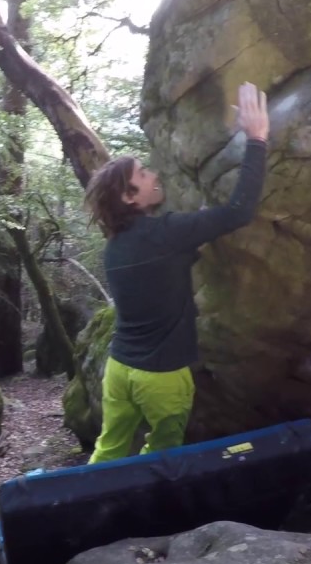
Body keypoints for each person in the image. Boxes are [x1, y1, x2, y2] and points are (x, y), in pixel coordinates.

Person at [83, 81, 270, 465]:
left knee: (110, 449)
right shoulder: (168, 234)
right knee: (163, 453)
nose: (153, 175)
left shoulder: (117, 246)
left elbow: (163, 265)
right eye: (144, 174)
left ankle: (85, 509)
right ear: (129, 197)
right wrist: (257, 139)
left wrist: (190, 238)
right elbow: (240, 211)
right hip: (161, 377)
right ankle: (151, 515)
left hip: (119, 369)